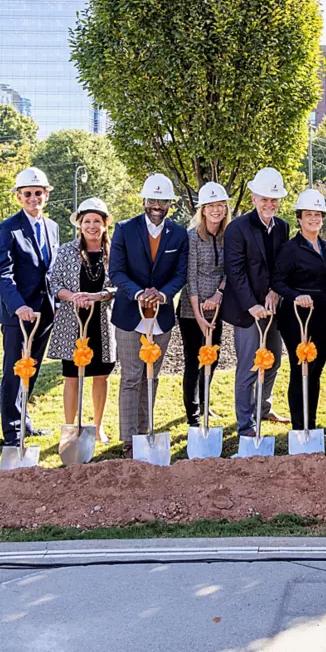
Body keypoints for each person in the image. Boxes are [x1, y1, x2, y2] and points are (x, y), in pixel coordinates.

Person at [109, 173, 189, 455]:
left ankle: (146, 433)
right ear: (144, 200)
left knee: (151, 376)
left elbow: (181, 273)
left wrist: (163, 294)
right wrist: (139, 293)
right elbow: (116, 271)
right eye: (153, 200)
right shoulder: (124, 229)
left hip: (161, 317)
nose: (157, 206)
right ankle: (130, 439)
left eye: (163, 201)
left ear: (170, 205)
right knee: (132, 376)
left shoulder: (178, 234)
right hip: (131, 315)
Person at [0, 166, 60, 446]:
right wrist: (18, 305)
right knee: (15, 369)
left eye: (39, 193)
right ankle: (11, 430)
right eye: (28, 193)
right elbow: (2, 272)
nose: (34, 198)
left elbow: (50, 270)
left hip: (45, 311)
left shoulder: (52, 227)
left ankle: (25, 423)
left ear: (46, 195)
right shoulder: (9, 228)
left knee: (31, 368)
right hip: (18, 314)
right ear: (19, 197)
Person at [221, 167, 291, 436]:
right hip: (246, 310)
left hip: (273, 307)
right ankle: (245, 424)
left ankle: (263, 408)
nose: (269, 204)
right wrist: (252, 305)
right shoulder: (237, 229)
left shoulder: (283, 227)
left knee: (273, 361)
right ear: (253, 198)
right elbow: (235, 270)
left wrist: (275, 291)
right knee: (249, 366)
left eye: (274, 199)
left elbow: (281, 266)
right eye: (264, 199)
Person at [46, 197, 117, 442]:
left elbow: (118, 286)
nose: (92, 226)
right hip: (71, 321)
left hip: (101, 322)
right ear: (80, 224)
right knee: (72, 376)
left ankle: (97, 427)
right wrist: (73, 296)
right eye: (87, 221)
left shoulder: (114, 252)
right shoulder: (67, 251)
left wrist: (99, 295)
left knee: (101, 376)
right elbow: (54, 284)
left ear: (105, 224)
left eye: (97, 221)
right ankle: (70, 429)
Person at [271, 188, 326, 434]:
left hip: (323, 317)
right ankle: (299, 428)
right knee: (301, 370)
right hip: (297, 319)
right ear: (299, 218)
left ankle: (312, 425)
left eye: (318, 214)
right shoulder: (291, 248)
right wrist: (295, 296)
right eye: (308, 214)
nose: (314, 219)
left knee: (316, 371)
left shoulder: (325, 246)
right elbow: (277, 281)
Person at [179, 182, 230, 427]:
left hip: (217, 307)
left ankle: (205, 403)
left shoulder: (228, 236)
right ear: (203, 210)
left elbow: (231, 270)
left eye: (220, 205)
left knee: (212, 358)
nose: (216, 210)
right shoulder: (191, 237)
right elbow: (190, 275)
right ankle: (193, 415)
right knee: (194, 360)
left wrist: (219, 294)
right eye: (211, 206)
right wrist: (198, 312)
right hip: (192, 309)